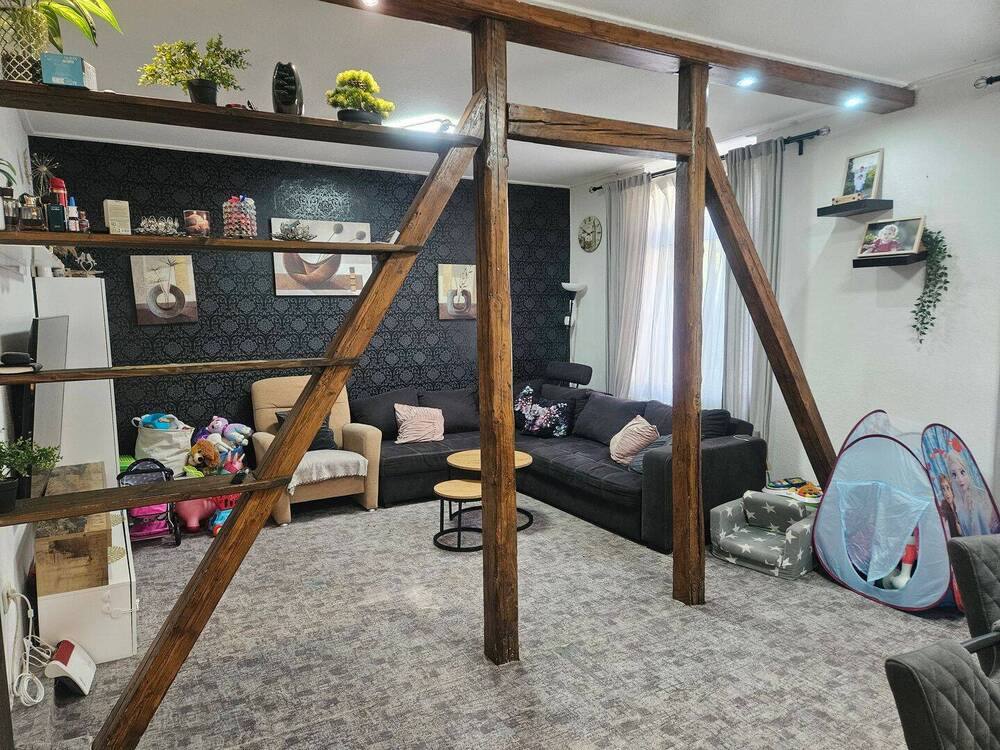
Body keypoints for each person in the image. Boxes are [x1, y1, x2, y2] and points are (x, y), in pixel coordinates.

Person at [947, 451, 1000, 536]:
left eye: (962, 472)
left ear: (967, 472)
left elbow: (987, 529)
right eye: (954, 475)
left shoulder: (980, 498)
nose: (960, 479)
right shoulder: (955, 504)